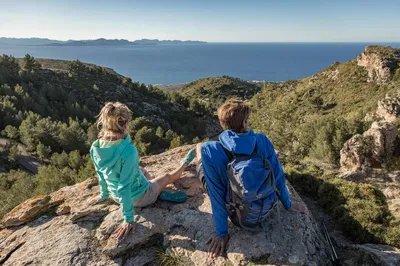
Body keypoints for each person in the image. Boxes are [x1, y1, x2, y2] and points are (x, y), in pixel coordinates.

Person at [196, 99, 309, 258]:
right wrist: (288, 204)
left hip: (238, 215)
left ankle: (197, 156)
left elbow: (216, 193)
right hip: (265, 209)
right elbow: (278, 176)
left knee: (199, 149)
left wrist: (222, 233)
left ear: (223, 124)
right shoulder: (262, 140)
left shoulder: (211, 148)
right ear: (244, 123)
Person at [88, 102, 196, 240]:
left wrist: (104, 194)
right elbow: (124, 187)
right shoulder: (128, 151)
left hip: (114, 195)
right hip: (140, 198)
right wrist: (128, 219)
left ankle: (154, 187)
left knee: (141, 169)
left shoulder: (96, 146)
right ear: (126, 124)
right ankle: (184, 164)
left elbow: (101, 174)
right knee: (167, 176)